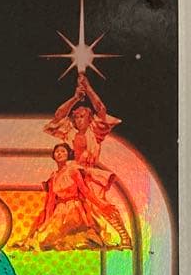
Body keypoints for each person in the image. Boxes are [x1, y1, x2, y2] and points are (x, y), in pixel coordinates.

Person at [44, 72, 132, 248]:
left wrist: (88, 87)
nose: (78, 120)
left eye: (82, 116)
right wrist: (75, 98)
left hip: (89, 175)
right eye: (76, 117)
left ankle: (125, 238)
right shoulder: (70, 133)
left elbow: (101, 109)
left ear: (89, 118)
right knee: (75, 209)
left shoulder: (95, 131)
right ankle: (85, 239)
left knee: (101, 205)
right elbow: (58, 115)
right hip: (71, 174)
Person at [17, 143, 105, 251]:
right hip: (59, 211)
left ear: (68, 154)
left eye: (63, 151)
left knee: (69, 236)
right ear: (54, 155)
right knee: (44, 238)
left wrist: (101, 204)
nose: (60, 153)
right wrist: (47, 221)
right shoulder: (53, 177)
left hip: (74, 208)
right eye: (57, 151)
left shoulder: (73, 170)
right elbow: (50, 201)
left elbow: (85, 191)